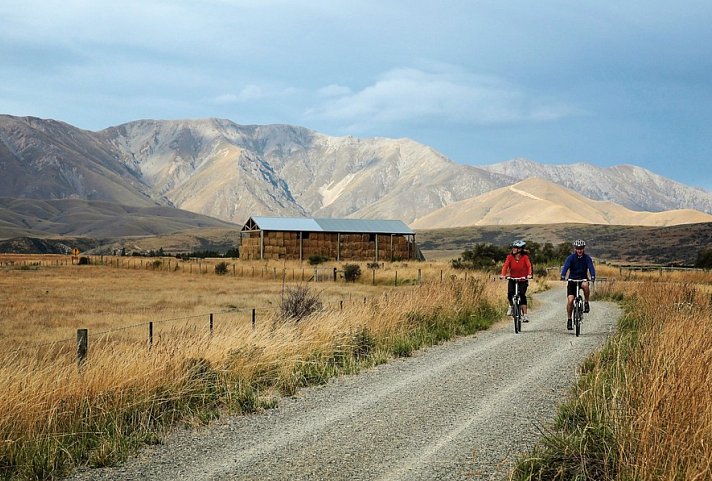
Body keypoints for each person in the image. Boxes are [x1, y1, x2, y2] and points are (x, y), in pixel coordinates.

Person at [560, 239, 596, 330]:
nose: (579, 250)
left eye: (581, 248)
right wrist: (563, 275)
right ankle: (569, 319)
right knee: (570, 300)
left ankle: (586, 302)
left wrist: (593, 276)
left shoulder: (587, 258)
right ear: (575, 249)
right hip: (572, 280)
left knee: (585, 285)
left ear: (583, 249)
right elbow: (566, 266)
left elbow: (591, 267)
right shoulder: (571, 258)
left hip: (582, 279)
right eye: (578, 248)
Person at [500, 240, 533, 322]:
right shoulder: (509, 257)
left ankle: (525, 315)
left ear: (520, 249)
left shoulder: (525, 257)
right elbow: (505, 266)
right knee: (510, 293)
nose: (513, 249)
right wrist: (503, 275)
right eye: (513, 247)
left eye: (516, 248)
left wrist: (529, 274)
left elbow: (529, 266)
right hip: (513, 278)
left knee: (522, 295)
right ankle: (511, 306)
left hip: (523, 279)